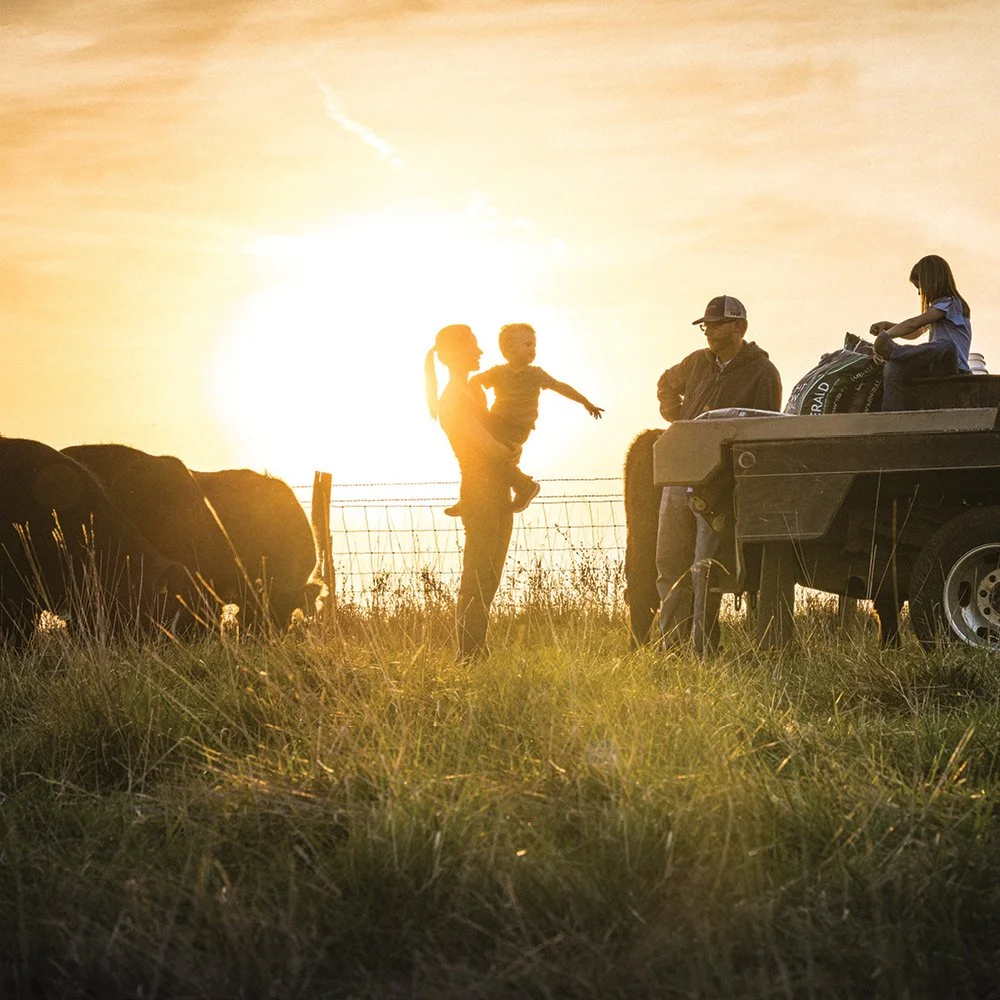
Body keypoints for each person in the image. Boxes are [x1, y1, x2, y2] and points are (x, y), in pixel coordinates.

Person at [655, 295, 782, 652]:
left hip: (718, 485)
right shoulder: (696, 363)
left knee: (704, 569)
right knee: (668, 564)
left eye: (715, 324)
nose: (708, 330)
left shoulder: (763, 372)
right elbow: (665, 382)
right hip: (679, 475)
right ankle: (670, 648)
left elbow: (765, 430)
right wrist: (676, 417)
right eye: (705, 325)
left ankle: (702, 649)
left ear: (738, 327)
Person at [425, 324, 519, 661]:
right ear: (454, 354)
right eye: (473, 346)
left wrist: (507, 449)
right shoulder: (451, 399)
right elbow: (480, 442)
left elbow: (492, 439)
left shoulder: (473, 393)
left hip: (497, 488)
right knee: (477, 574)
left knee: (490, 575)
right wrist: (505, 450)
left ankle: (477, 650)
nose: (480, 352)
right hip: (479, 491)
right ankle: (468, 653)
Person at [444, 322, 604, 517]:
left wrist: (586, 402)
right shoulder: (499, 372)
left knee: (486, 455)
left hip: (518, 427)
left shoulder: (535, 374)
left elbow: (560, 387)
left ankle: (523, 485)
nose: (533, 350)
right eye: (528, 345)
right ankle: (477, 495)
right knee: (479, 456)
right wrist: (479, 401)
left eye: (534, 346)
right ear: (510, 347)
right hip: (497, 421)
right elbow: (474, 381)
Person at [870, 255, 972, 411]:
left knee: (947, 346)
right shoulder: (937, 309)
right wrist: (887, 327)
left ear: (932, 281)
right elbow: (914, 332)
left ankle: (894, 351)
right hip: (933, 368)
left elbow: (913, 323)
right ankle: (890, 416)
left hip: (954, 368)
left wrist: (887, 336)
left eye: (920, 288)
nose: (919, 294)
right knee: (893, 367)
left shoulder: (951, 303)